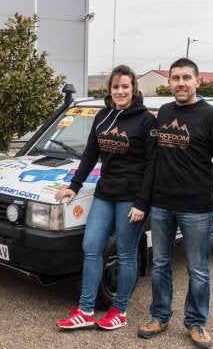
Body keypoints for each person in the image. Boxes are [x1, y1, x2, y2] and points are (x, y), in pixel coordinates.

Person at [137, 58, 213, 349]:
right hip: (162, 203)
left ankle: (196, 323)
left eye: (186, 78)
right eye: (175, 78)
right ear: (169, 82)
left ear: (197, 81)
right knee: (161, 264)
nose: (180, 83)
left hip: (196, 207)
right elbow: (153, 157)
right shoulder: (165, 111)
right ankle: (159, 315)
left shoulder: (212, 117)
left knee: (198, 268)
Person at [55, 65, 157, 331]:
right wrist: (74, 187)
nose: (120, 91)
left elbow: (152, 165)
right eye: (115, 86)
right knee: (91, 247)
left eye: (125, 86)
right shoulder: (102, 116)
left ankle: (119, 310)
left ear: (134, 89)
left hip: (131, 198)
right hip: (105, 193)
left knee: (125, 254)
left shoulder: (146, 121)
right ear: (109, 90)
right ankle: (85, 310)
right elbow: (90, 155)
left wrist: (142, 202)